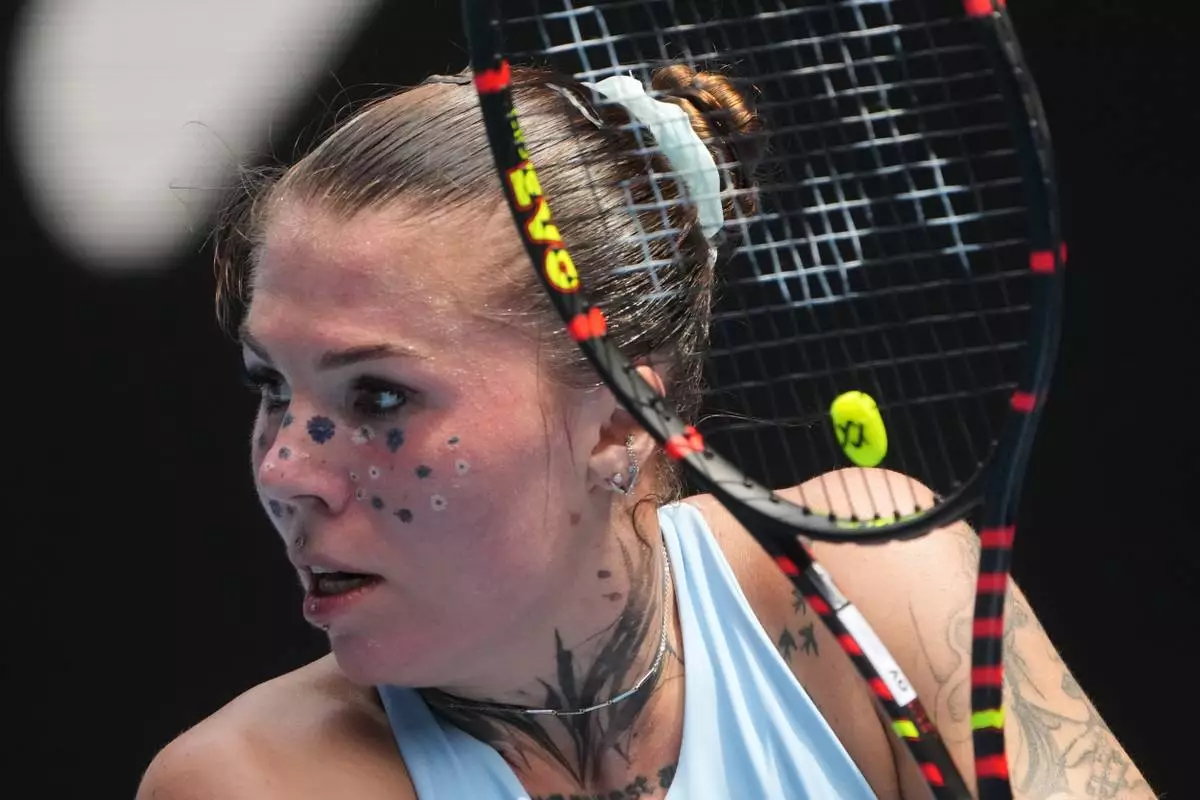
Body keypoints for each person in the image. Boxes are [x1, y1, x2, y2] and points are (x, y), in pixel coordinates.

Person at [137, 65, 1153, 800]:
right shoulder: (248, 780)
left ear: (621, 419)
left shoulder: (871, 577)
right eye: (271, 385)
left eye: (379, 398)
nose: (286, 469)